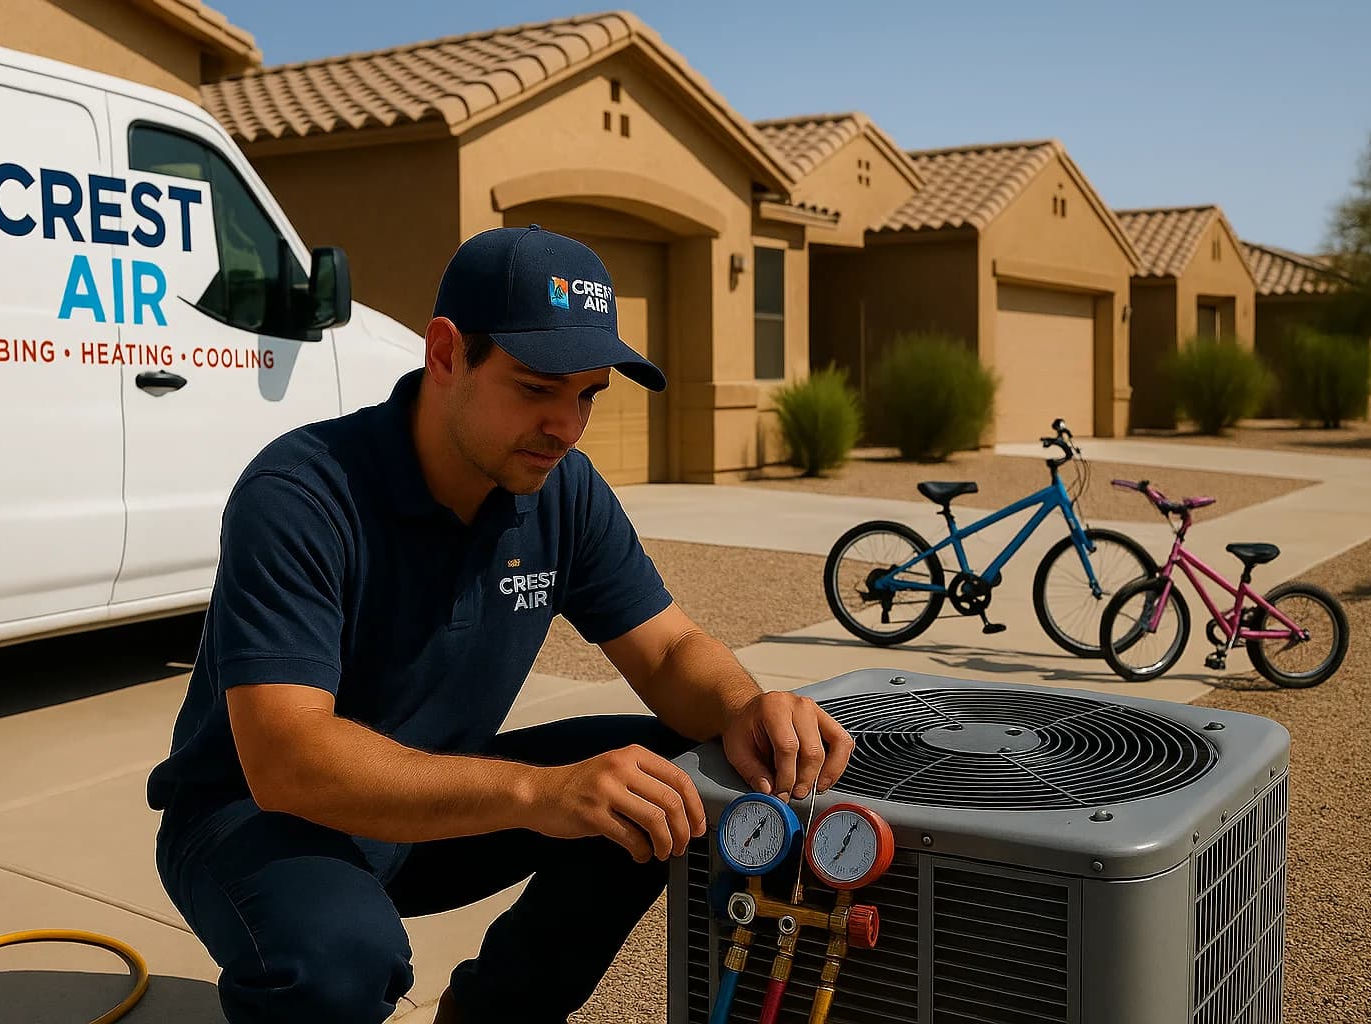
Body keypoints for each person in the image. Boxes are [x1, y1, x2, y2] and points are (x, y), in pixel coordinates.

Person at [146, 225, 856, 1024]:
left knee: (663, 780)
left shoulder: (561, 490)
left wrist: (745, 711)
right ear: (446, 354)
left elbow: (668, 651)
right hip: (257, 819)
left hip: (431, 801)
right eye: (536, 387)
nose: (567, 425)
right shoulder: (302, 493)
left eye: (587, 394)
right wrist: (535, 791)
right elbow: (288, 760)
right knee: (336, 958)